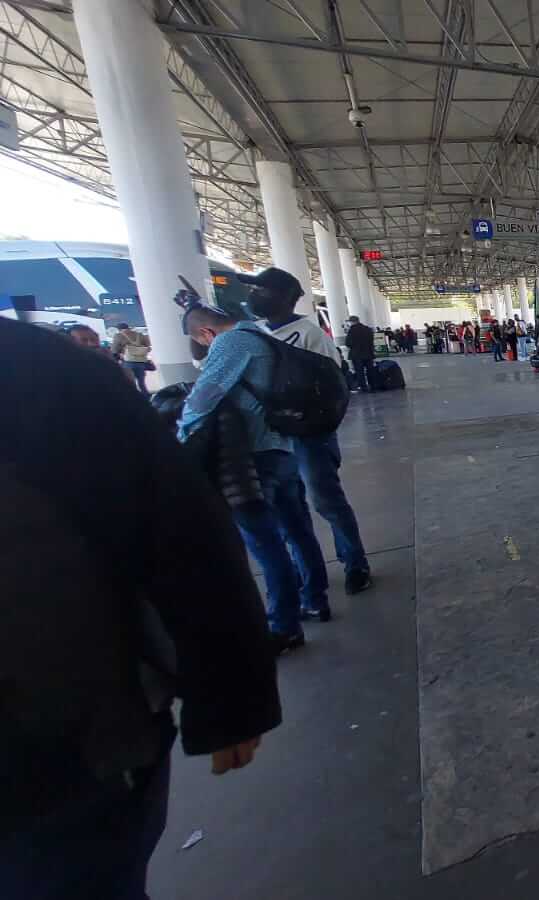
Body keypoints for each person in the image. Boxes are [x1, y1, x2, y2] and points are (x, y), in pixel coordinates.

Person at [0, 317, 282, 900]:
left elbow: (182, 532)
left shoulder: (36, 371)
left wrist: (231, 696)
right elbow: (185, 530)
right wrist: (232, 697)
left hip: (66, 750)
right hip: (71, 741)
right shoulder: (40, 367)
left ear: (204, 332)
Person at [177, 300, 332, 653]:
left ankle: (283, 625)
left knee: (266, 544)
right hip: (283, 448)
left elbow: (204, 398)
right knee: (297, 530)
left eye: (202, 343)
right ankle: (314, 599)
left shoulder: (230, 343)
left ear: (206, 332)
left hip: (250, 458)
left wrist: (179, 435)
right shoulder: (263, 336)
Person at [241, 267, 374, 596]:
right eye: (254, 290)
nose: (254, 296)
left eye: (262, 290)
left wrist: (316, 426)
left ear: (287, 297)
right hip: (270, 439)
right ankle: (307, 572)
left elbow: (333, 387)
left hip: (308, 437)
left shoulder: (309, 335)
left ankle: (354, 561)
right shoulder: (252, 333)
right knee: (289, 511)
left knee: (325, 500)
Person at [109, 323, 153, 396]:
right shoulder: (139, 335)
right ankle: (147, 398)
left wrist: (119, 355)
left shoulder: (118, 336)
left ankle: (135, 399)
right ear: (128, 327)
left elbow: (114, 350)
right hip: (141, 361)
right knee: (141, 382)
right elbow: (147, 345)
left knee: (131, 382)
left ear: (118, 329)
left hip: (128, 362)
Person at [345, 314, 377, 391]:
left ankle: (364, 387)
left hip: (357, 355)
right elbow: (371, 341)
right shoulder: (367, 329)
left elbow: (348, 343)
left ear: (352, 322)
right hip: (368, 353)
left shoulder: (351, 330)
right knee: (370, 370)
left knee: (359, 372)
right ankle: (373, 386)